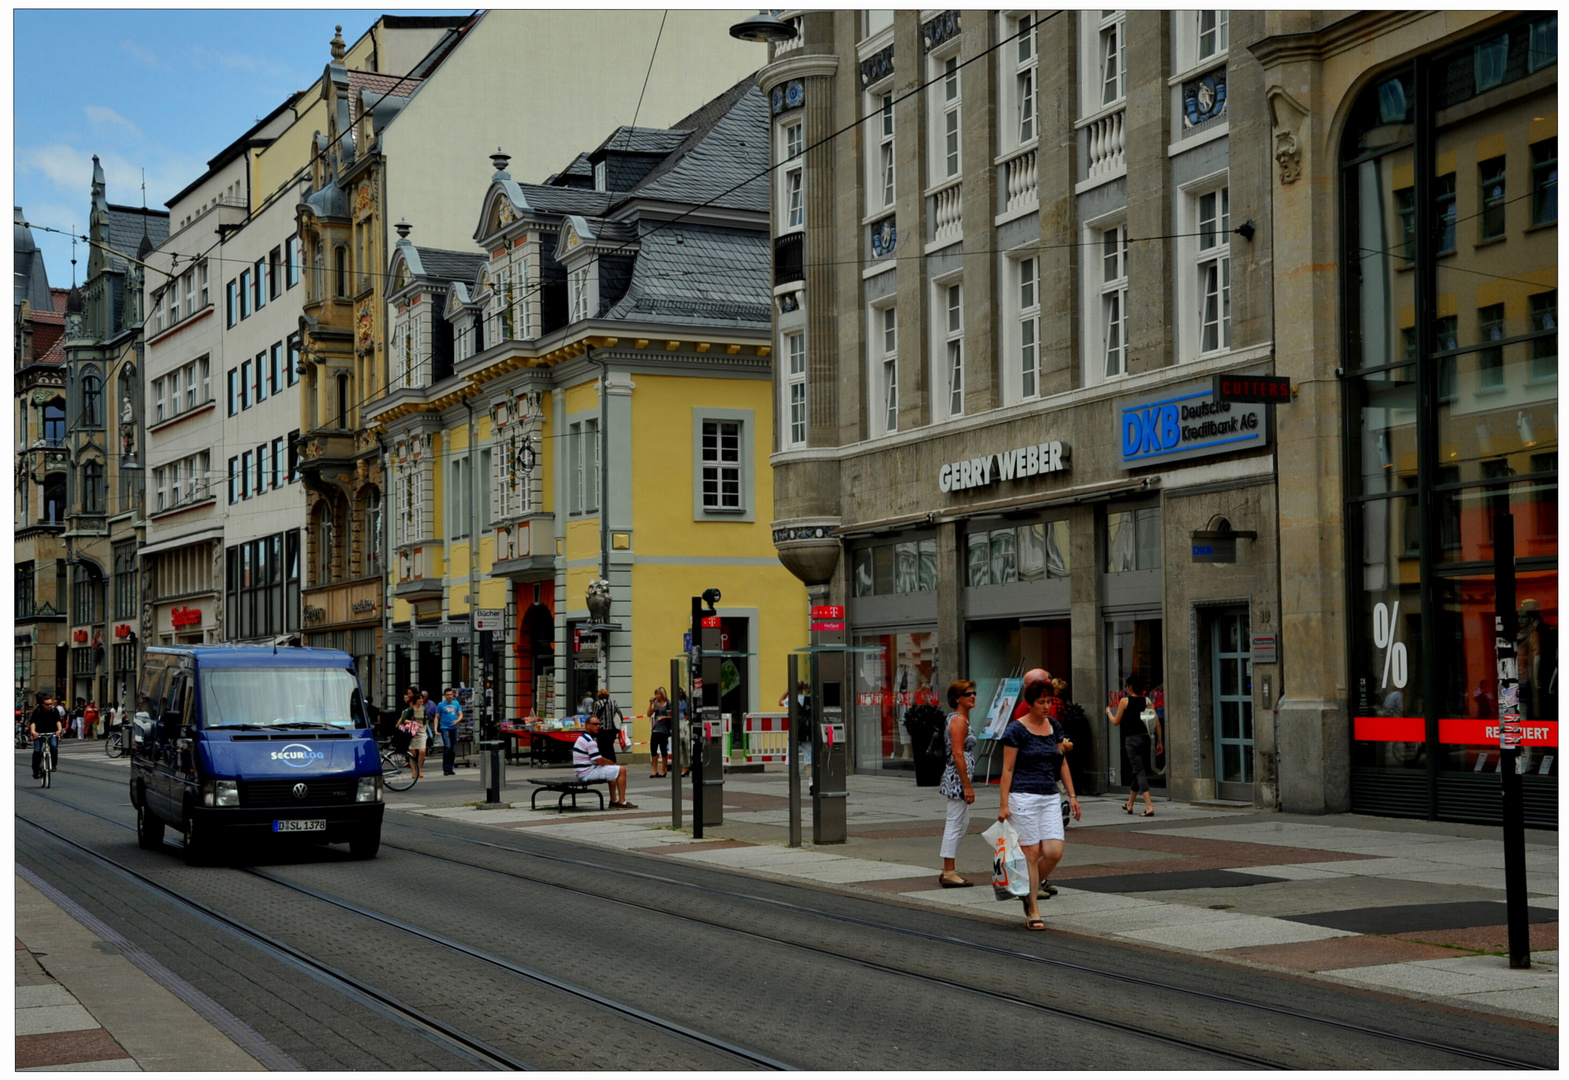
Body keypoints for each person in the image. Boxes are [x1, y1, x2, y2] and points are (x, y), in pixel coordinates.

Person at [998, 679, 1080, 930]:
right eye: (1041, 702)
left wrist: (1073, 795)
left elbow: (1061, 761)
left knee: (1054, 851)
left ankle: (1026, 888)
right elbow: (1008, 769)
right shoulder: (1016, 730)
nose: (1046, 706)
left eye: (1048, 701)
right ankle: (1033, 909)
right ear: (1029, 705)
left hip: (1049, 796)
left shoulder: (1053, 725)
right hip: (1022, 796)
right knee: (1031, 854)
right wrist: (1003, 804)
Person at [936, 680, 978, 888]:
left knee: (961, 823)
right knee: (955, 823)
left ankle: (948, 868)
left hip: (958, 778)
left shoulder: (959, 719)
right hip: (957, 780)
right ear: (957, 699)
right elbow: (958, 753)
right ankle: (949, 870)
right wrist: (967, 786)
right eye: (967, 693)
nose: (973, 696)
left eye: (973, 693)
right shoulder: (959, 720)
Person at [1107, 673, 1161, 817]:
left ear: (1130, 687)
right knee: (1137, 771)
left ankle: (1149, 806)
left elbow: (1115, 722)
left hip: (1131, 740)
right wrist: (1159, 742)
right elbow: (1157, 724)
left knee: (1139, 771)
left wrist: (1108, 713)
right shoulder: (1147, 701)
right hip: (1145, 739)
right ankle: (1130, 804)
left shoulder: (1125, 701)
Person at [574, 713, 635, 808]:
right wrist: (611, 763)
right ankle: (622, 802)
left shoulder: (583, 737)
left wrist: (609, 765)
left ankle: (613, 801)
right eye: (595, 724)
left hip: (582, 771)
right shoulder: (589, 741)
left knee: (612, 770)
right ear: (587, 726)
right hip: (587, 773)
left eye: (599, 724)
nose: (598, 726)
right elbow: (599, 760)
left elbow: (595, 759)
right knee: (622, 770)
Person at [30, 695, 65, 779]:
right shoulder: (37, 711)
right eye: (47, 704)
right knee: (37, 750)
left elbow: (58, 721)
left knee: (53, 746)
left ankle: (53, 765)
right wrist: (33, 732)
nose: (50, 706)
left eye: (51, 704)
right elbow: (33, 723)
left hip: (51, 732)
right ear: (42, 704)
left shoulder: (54, 710)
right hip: (39, 733)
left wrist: (59, 730)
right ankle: (35, 770)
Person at [401, 686, 428, 779]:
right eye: (420, 699)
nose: (421, 700)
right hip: (413, 731)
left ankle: (419, 768)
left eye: (422, 698)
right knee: (413, 753)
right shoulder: (411, 709)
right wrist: (412, 722)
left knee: (422, 751)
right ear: (416, 700)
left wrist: (424, 728)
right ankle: (413, 771)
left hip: (421, 731)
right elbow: (404, 720)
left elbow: (424, 720)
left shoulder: (423, 709)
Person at [435, 687, 463, 775]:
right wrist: (435, 729)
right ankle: (445, 768)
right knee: (447, 746)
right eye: (447, 695)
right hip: (445, 727)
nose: (449, 696)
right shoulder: (441, 705)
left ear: (453, 695)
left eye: (451, 695)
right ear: (445, 696)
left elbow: (460, 714)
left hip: (454, 728)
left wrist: (457, 721)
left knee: (453, 749)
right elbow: (436, 717)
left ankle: (450, 767)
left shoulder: (456, 703)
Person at [648, 687, 672, 778]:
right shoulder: (655, 704)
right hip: (655, 728)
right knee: (653, 749)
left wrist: (664, 717)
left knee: (663, 749)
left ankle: (663, 770)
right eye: (656, 694)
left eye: (658, 694)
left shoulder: (668, 704)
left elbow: (671, 716)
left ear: (662, 694)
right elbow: (649, 714)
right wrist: (650, 704)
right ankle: (655, 770)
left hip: (664, 729)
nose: (656, 696)